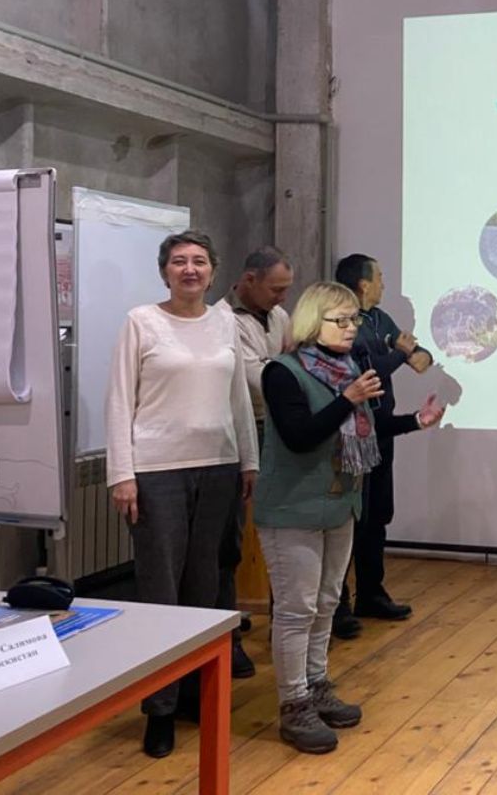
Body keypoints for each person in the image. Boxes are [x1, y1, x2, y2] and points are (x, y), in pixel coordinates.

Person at [255, 281, 444, 753]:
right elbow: (300, 437)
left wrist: (414, 422)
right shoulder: (282, 372)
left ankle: (317, 686)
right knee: (296, 609)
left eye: (353, 320)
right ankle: (293, 704)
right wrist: (349, 398)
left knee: (325, 603)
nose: (350, 328)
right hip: (293, 508)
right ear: (311, 320)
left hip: (340, 503)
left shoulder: (349, 368)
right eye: (339, 320)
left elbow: (370, 427)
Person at [105, 230, 258, 759]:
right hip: (156, 472)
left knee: (206, 590)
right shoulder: (141, 322)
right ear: (164, 271)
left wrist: (249, 458)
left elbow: (238, 398)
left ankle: (195, 696)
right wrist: (122, 474)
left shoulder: (225, 322)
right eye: (178, 262)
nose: (189, 269)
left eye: (198, 261)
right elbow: (119, 400)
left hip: (218, 468)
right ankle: (159, 710)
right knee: (160, 592)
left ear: (213, 272)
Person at [332, 253, 432, 632]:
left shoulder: (379, 318)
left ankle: (371, 593)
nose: (384, 284)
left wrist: (410, 354)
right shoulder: (341, 319)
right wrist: (398, 354)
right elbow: (367, 371)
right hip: (352, 433)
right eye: (380, 278)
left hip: (382, 428)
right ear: (363, 284)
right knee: (350, 518)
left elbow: (418, 357)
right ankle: (338, 604)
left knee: (377, 514)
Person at [215, 246, 294, 675]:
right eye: (276, 289)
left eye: (286, 290)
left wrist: (282, 370)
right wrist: (285, 372)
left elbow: (288, 365)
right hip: (239, 432)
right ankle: (228, 636)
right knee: (230, 539)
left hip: (278, 427)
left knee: (283, 528)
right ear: (249, 280)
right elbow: (257, 380)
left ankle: (288, 624)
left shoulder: (278, 316)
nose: (282, 298)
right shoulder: (222, 320)